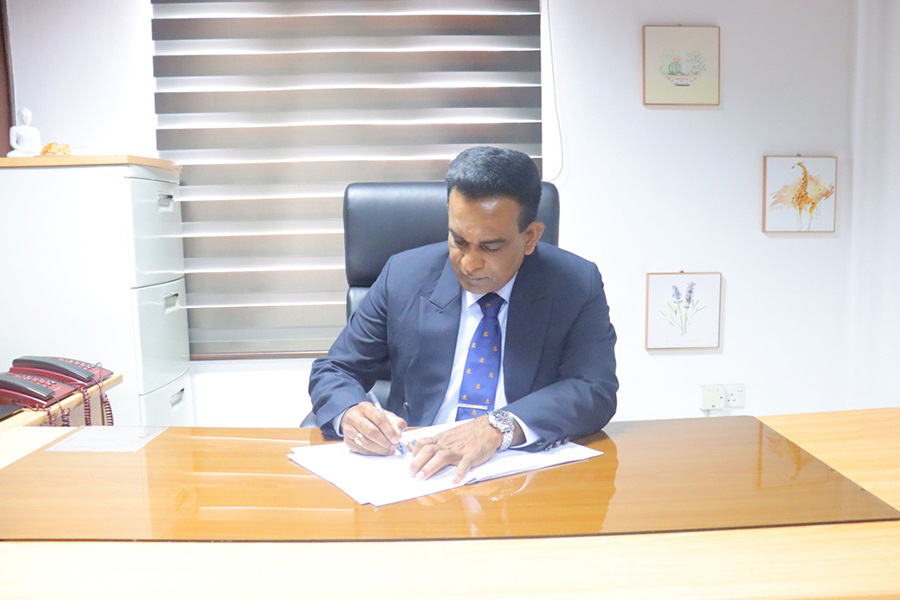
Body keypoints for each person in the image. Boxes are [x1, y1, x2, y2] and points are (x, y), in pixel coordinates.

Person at [308, 146, 618, 483]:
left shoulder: (574, 284)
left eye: (491, 247)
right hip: (415, 469)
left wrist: (499, 425)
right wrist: (350, 413)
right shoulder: (405, 275)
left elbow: (594, 389)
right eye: (458, 241)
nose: (469, 264)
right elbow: (335, 369)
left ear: (530, 237)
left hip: (518, 473)